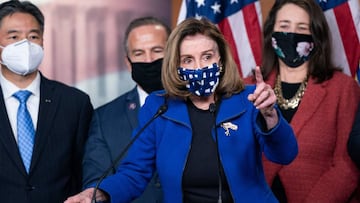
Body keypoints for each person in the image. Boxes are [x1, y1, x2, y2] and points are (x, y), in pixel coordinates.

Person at [65, 17, 298, 203]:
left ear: (221, 60)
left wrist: (270, 115)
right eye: (188, 60)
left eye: (207, 57)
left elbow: (285, 155)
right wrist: (98, 193)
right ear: (176, 65)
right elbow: (135, 172)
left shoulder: (249, 100)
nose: (199, 67)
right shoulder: (159, 107)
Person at [244, 0, 360, 202]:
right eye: (284, 26)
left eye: (302, 28)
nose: (291, 35)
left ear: (316, 37)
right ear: (272, 32)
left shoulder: (343, 89)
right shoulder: (248, 87)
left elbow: (346, 164)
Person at [0, 0, 93, 202]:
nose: (25, 44)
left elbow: (85, 170)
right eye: (14, 36)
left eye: (33, 36)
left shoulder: (74, 103)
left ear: (43, 41)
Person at [82, 16, 170, 203]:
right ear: (128, 62)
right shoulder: (104, 118)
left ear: (173, 55)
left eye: (157, 50)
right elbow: (96, 181)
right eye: (139, 53)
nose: (148, 60)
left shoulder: (198, 105)